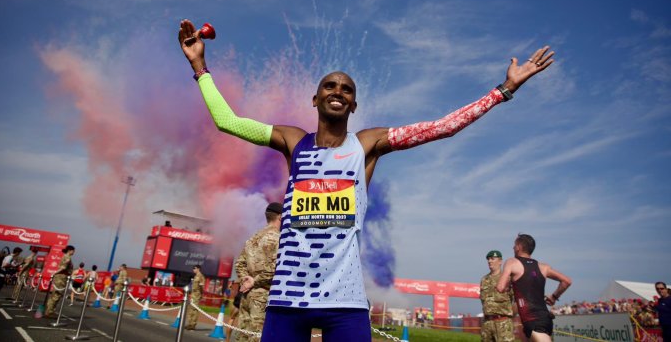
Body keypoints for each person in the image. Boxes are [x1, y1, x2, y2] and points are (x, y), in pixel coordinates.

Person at [178, 19, 555, 342]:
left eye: (347, 89)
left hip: (344, 303)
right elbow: (227, 121)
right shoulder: (292, 141)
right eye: (330, 86)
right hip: (287, 301)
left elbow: (440, 129)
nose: (338, 91)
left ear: (354, 105)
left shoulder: (367, 145)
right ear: (315, 99)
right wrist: (200, 66)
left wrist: (502, 92)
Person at [496, 234, 571, 342]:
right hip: (545, 318)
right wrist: (554, 296)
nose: (512, 247)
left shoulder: (512, 262)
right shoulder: (543, 267)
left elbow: (500, 287)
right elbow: (566, 281)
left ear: (518, 247)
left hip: (533, 320)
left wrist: (507, 285)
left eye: (514, 245)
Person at [234, 202, 283, 342]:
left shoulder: (252, 238)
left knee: (242, 336)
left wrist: (245, 280)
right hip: (262, 296)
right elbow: (274, 268)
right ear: (280, 217)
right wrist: (254, 281)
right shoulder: (278, 238)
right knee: (257, 337)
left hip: (246, 295)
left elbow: (239, 263)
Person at [480, 250, 515, 342]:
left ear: (500, 261)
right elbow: (483, 301)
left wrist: (508, 318)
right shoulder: (484, 280)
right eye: (488, 259)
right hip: (487, 323)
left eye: (492, 258)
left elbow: (515, 301)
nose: (489, 261)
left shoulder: (508, 278)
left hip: (503, 323)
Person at [45, 245, 75, 318]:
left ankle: (49, 310)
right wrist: (55, 272)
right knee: (57, 295)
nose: (74, 252)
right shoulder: (68, 257)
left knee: (54, 294)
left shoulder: (64, 256)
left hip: (59, 277)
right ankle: (50, 312)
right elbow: (63, 267)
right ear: (70, 250)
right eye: (73, 250)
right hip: (62, 278)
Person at [185, 265, 206, 330]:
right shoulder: (196, 276)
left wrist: (201, 294)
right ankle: (189, 323)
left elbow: (202, 287)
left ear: (198, 269)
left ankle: (193, 324)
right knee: (190, 308)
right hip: (193, 293)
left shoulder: (201, 276)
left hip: (197, 294)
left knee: (194, 309)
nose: (193, 269)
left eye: (194, 268)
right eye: (193, 268)